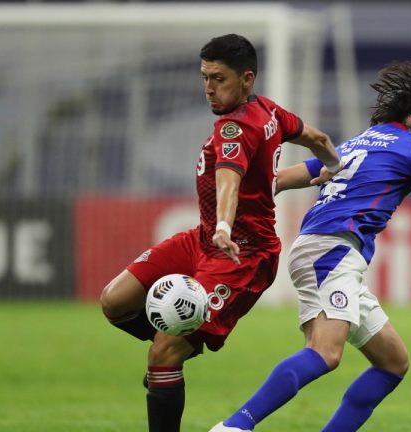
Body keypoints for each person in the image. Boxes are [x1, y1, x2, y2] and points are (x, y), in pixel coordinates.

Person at [210, 60, 411, 432]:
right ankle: (235, 427)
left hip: (325, 250)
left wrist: (224, 192)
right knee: (325, 351)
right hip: (331, 252)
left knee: (393, 362)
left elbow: (282, 179)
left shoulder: (358, 142)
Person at [98, 33, 341, 432]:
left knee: (163, 352)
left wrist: (225, 225)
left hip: (241, 255)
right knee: (114, 301)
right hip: (203, 238)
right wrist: (334, 164)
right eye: (205, 77)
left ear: (247, 79)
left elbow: (228, 178)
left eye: (219, 79)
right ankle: (170, 365)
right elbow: (317, 139)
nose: (209, 88)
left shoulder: (235, 129)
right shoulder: (270, 112)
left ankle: (167, 362)